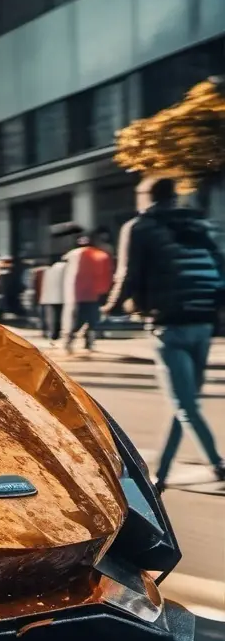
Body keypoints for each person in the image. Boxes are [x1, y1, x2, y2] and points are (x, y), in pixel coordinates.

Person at [103, 176, 225, 491]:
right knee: (183, 403)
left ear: (148, 196)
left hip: (168, 323)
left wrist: (110, 308)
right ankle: (162, 476)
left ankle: (217, 464)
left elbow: (128, 274)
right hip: (204, 321)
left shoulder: (140, 227)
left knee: (184, 405)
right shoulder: (200, 225)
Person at [61, 232, 112, 353]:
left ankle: (68, 342)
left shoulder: (72, 254)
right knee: (92, 318)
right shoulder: (101, 255)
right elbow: (107, 274)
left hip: (75, 293)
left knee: (74, 319)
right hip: (94, 294)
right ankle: (89, 342)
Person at [38, 251, 68, 347]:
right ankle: (56, 335)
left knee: (51, 318)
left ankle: (52, 335)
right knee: (60, 317)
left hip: (49, 297)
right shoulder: (65, 267)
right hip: (62, 297)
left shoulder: (48, 269)